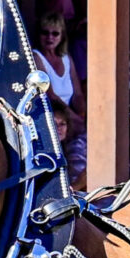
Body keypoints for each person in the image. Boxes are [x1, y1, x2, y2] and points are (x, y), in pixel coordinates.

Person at [33, 12, 88, 184]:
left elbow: (77, 93)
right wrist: (74, 119)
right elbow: (51, 95)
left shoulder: (66, 58)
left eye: (55, 33)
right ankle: (75, 183)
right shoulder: (36, 56)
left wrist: (83, 114)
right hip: (52, 114)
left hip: (71, 116)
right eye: (45, 33)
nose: (50, 37)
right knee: (80, 140)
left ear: (62, 35)